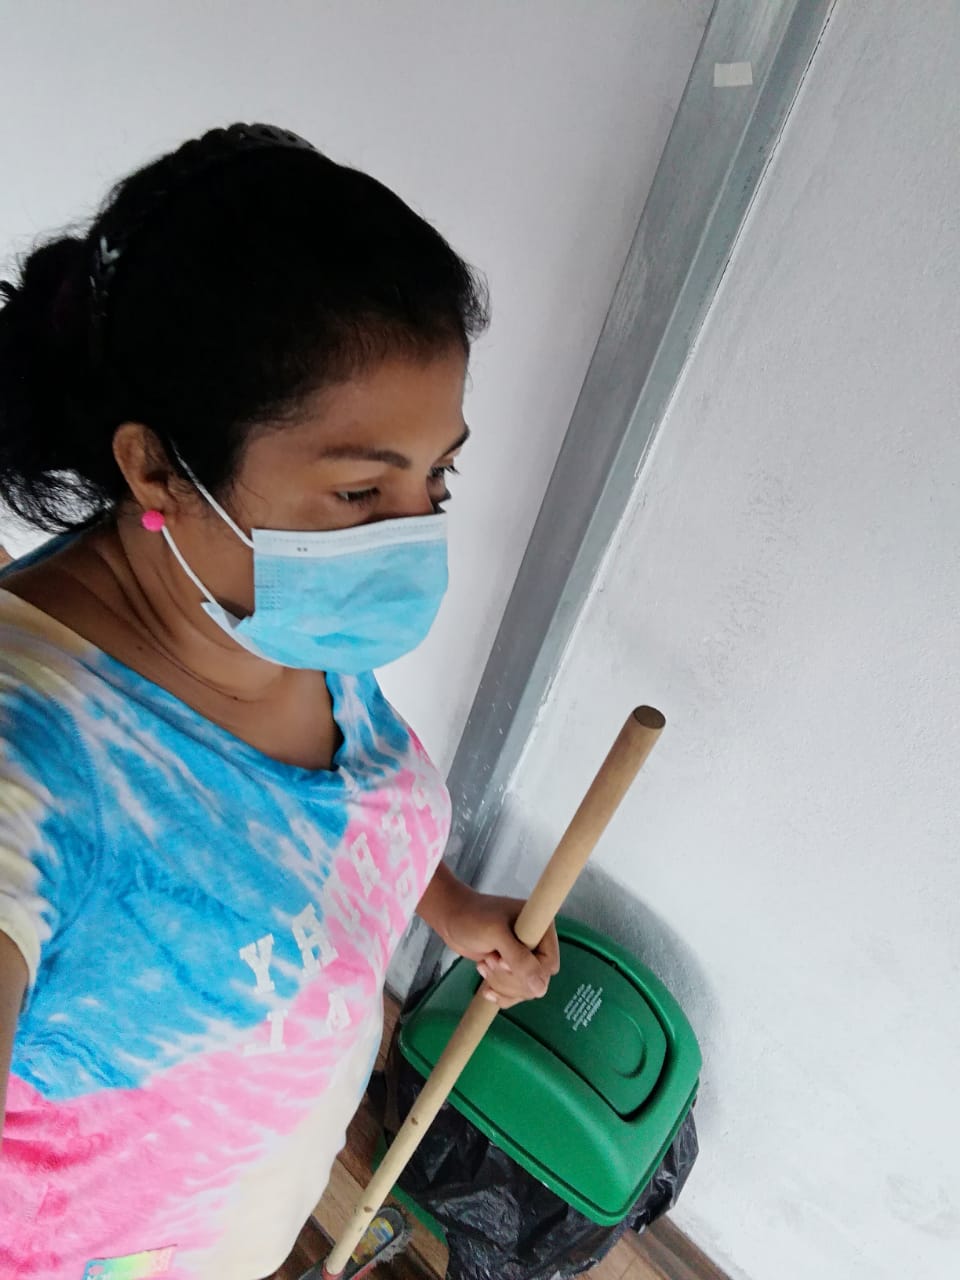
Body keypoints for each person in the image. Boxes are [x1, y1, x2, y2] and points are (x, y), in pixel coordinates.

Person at [0, 123, 559, 1280]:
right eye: (360, 491)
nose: (409, 535)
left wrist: (448, 906)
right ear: (157, 467)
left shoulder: (269, 606)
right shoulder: (33, 758)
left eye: (438, 474)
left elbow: (315, 822)